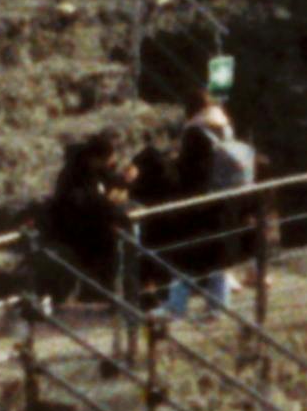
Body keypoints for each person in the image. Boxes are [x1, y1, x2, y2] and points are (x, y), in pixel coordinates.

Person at [156, 87, 261, 316]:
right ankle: (216, 306)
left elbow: (192, 172)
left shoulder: (195, 133)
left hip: (203, 204)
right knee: (216, 256)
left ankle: (177, 306)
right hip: (229, 196)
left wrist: (173, 167)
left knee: (184, 253)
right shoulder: (224, 126)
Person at [33, 127, 139, 308]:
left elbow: (111, 183)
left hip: (97, 228)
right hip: (77, 233)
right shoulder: (74, 175)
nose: (111, 164)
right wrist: (109, 203)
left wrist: (125, 181)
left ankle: (119, 296)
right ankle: (109, 297)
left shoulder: (95, 169)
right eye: (108, 160)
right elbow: (85, 203)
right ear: (96, 159)